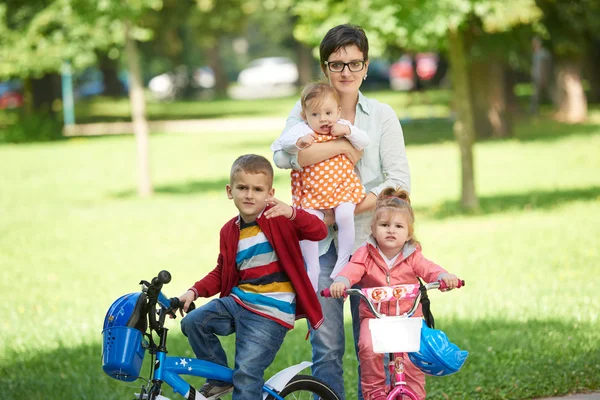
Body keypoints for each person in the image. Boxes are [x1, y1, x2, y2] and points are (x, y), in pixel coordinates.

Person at [272, 23, 411, 400]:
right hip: (318, 248)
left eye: (354, 63)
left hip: (370, 244)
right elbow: (284, 156)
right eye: (337, 64)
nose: (346, 72)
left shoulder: (381, 116)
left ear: (366, 67)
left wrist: (337, 212)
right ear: (325, 67)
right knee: (327, 347)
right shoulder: (307, 108)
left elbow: (398, 184)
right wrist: (343, 150)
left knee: (377, 341)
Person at [177, 154, 328, 400]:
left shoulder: (278, 218)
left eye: (258, 189)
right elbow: (221, 271)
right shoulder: (229, 230)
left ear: (270, 193)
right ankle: (218, 381)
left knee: (247, 374)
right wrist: (194, 291)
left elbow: (319, 231)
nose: (249, 195)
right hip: (238, 302)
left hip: (271, 312)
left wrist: (292, 212)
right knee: (194, 322)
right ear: (230, 191)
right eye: (242, 188)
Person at [328, 187, 460, 400]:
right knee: (367, 347)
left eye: (398, 226)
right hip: (375, 319)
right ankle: (375, 394)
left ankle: (413, 396)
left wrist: (444, 277)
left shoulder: (412, 254)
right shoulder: (366, 253)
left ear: (408, 232)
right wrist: (342, 281)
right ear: (373, 228)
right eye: (384, 225)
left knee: (412, 361)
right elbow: (352, 269)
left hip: (407, 318)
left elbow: (429, 269)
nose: (391, 230)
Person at [271, 82, 370, 290]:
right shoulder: (302, 129)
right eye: (316, 114)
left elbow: (363, 141)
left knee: (345, 215)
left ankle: (343, 260)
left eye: (328, 112)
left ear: (338, 111)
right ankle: (312, 267)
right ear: (305, 116)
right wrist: (299, 142)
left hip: (341, 187)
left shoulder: (341, 125)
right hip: (312, 191)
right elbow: (282, 145)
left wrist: (348, 131)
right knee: (308, 225)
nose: (323, 119)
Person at [530, 36, 552, 114]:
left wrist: (544, 76)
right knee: (535, 93)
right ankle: (533, 109)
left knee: (548, 91)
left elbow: (546, 65)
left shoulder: (543, 53)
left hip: (541, 76)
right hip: (536, 76)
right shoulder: (535, 53)